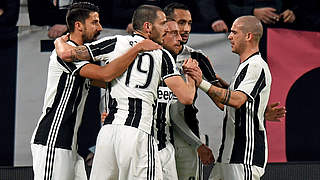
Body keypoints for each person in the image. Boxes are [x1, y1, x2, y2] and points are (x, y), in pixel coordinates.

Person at [54, 4, 199, 179]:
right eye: (162, 24)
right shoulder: (162, 54)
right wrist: (192, 77)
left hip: (108, 133)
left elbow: (69, 55)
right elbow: (186, 97)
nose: (166, 29)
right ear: (148, 27)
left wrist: (59, 42)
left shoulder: (115, 42)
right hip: (138, 133)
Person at [30, 2, 161, 180]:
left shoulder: (75, 54)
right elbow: (106, 75)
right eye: (94, 22)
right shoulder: (67, 54)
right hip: (52, 140)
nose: (100, 27)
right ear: (78, 25)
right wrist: (137, 47)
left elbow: (111, 83)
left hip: (71, 144)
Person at [163, 3, 286, 179]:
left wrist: (202, 82)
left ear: (249, 36)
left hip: (204, 147)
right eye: (181, 22)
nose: (186, 29)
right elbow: (235, 99)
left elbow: (228, 101)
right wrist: (257, 109)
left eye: (189, 23)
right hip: (156, 139)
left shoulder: (197, 59)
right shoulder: (149, 55)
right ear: (166, 24)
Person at [186, 15, 272, 180]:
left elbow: (236, 100)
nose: (229, 36)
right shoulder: (245, 66)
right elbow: (227, 101)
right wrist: (209, 77)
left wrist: (201, 82)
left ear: (248, 36)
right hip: (228, 155)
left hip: (244, 157)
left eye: (234, 32)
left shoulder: (256, 66)